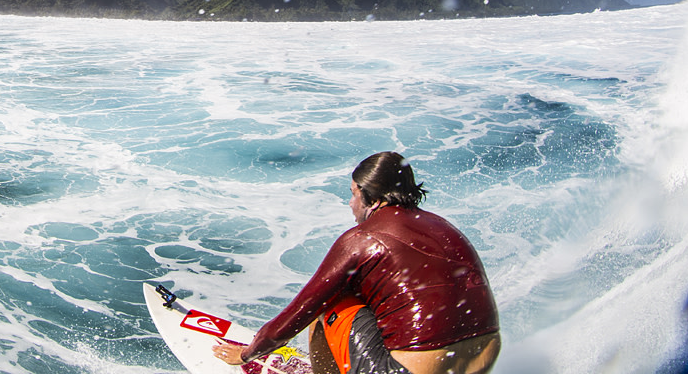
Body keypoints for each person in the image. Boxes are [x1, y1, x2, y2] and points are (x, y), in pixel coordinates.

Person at [213, 152, 500, 374]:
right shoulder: (443, 226)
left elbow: (301, 311)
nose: (350, 203)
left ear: (371, 198)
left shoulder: (362, 238)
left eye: (353, 194)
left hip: (410, 370)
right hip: (480, 363)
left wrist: (248, 353)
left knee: (329, 302)